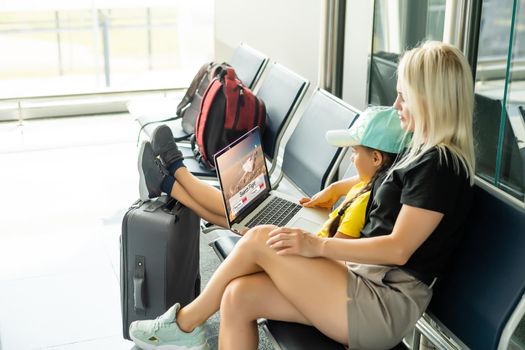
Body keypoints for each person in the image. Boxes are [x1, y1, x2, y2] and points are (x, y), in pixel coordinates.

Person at [130, 41, 475, 350]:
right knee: (238, 297)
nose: (397, 105)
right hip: (360, 283)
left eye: (404, 96)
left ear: (430, 100)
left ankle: (185, 325)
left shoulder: (440, 166)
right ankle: (185, 328)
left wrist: (317, 246)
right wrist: (337, 195)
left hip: (379, 305)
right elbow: (380, 191)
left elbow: (398, 249)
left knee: (262, 237)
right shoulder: (423, 154)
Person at [314, 106, 404, 239]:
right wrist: (334, 189)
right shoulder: (369, 184)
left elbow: (334, 249)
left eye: (354, 152)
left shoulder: (363, 202)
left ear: (376, 158)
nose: (351, 158)